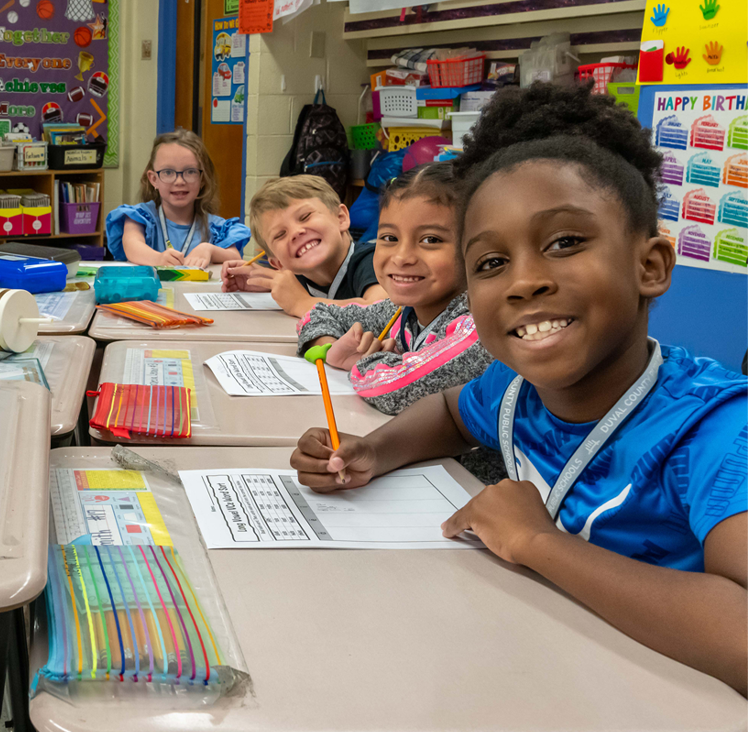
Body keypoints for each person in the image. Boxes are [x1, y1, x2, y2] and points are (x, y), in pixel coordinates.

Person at [291, 83, 746, 695]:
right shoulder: (515, 386)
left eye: (564, 243)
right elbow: (452, 411)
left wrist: (538, 543)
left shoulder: (719, 432)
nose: (524, 282)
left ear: (651, 265)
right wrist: (374, 451)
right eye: (490, 263)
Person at [296, 163, 493, 416]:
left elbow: (395, 389)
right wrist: (330, 347)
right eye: (389, 238)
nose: (402, 257)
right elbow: (317, 314)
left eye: (430, 240)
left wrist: (360, 361)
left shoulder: (478, 327)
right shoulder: (401, 312)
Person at [222, 175, 387, 317]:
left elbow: (380, 310)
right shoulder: (300, 276)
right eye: (280, 234)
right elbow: (292, 287)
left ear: (341, 218)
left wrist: (302, 303)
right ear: (278, 263)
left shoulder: (373, 261)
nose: (295, 232)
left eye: (305, 216)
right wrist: (262, 283)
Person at [104, 129, 250, 269]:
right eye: (168, 172)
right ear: (154, 179)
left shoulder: (216, 227)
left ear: (203, 179)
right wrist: (159, 259)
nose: (179, 181)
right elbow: (132, 245)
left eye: (190, 172)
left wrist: (209, 249)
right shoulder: (140, 217)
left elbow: (235, 258)